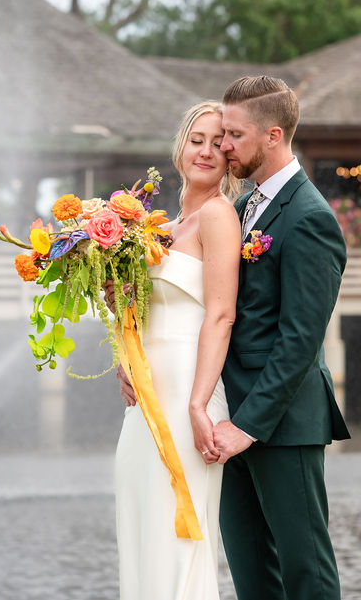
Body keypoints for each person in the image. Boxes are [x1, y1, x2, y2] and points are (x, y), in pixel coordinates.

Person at [213, 75, 350, 599]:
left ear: (273, 136)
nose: (224, 145)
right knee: (252, 576)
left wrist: (247, 426)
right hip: (230, 418)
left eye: (234, 134)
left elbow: (300, 342)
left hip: (283, 424)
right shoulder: (242, 206)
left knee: (306, 570)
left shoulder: (310, 218)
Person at [113, 101, 243, 600]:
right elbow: (140, 312)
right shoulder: (159, 229)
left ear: (230, 158)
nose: (206, 151)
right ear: (180, 148)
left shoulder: (218, 216)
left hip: (191, 388)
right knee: (141, 521)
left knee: (179, 534)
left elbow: (221, 314)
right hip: (146, 398)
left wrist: (197, 403)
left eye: (217, 143)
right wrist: (124, 358)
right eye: (196, 140)